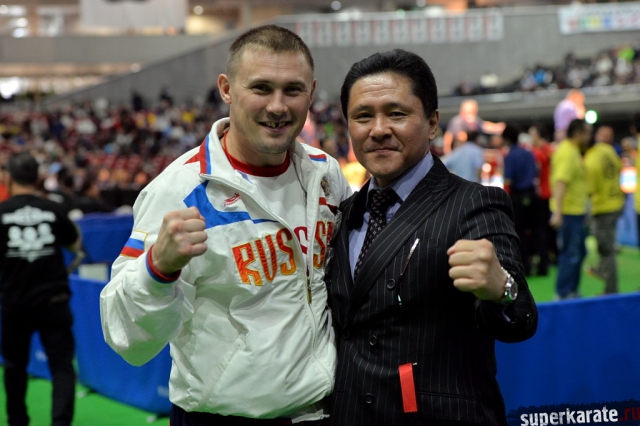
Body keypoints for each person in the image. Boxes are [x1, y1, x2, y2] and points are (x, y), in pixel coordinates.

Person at [99, 25, 351, 425]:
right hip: (221, 417)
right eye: (261, 88)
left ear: (312, 92)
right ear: (227, 89)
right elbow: (125, 336)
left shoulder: (325, 174)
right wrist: (157, 269)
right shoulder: (179, 191)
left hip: (324, 412)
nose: (278, 106)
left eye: (293, 90)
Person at [325, 49, 537, 426]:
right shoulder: (342, 214)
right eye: (363, 116)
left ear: (432, 122)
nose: (378, 129)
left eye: (396, 113)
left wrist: (500, 287)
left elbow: (520, 316)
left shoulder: (473, 203)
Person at [0, 152, 82, 426]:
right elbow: (76, 246)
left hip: (14, 303)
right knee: (62, 367)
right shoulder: (54, 210)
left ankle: (17, 421)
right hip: (54, 301)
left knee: (14, 367)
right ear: (38, 178)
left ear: (8, 178)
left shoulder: (1, 213)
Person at [549, 118, 592, 300]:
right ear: (577, 133)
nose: (589, 137)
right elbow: (561, 183)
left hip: (576, 212)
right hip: (569, 213)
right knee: (571, 254)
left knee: (579, 252)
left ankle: (571, 291)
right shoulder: (568, 152)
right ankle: (562, 294)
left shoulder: (572, 150)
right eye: (587, 133)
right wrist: (558, 213)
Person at [584, 125, 625, 294]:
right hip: (616, 203)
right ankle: (603, 271)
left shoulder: (592, 156)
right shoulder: (612, 153)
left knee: (606, 250)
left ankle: (611, 288)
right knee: (605, 245)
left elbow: (589, 187)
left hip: (603, 207)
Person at [503, 124, 539, 276]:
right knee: (537, 230)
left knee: (519, 232)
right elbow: (536, 172)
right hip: (532, 194)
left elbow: (509, 179)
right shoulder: (528, 153)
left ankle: (525, 265)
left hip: (518, 196)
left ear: (506, 139)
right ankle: (542, 264)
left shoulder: (510, 155)